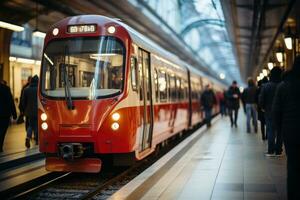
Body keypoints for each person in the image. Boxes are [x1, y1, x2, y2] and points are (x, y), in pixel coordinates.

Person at [272, 56, 300, 200]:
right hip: (291, 132)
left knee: (293, 167)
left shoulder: (283, 86)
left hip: (290, 133)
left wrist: (281, 130)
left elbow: (276, 111)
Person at [259, 67, 282, 156]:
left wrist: (262, 108)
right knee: (280, 131)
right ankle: (279, 150)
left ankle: (271, 150)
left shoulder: (266, 86)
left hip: (269, 111)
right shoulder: (282, 85)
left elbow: (261, 99)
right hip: (280, 112)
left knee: (270, 130)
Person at [0, 81, 17, 152]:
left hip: (5, 114)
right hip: (4, 114)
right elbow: (10, 101)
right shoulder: (6, 88)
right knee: (2, 131)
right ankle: (0, 146)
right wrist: (14, 114)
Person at [22, 75, 39, 148]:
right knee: (37, 125)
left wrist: (24, 110)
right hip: (38, 111)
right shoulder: (39, 90)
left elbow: (23, 102)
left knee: (30, 125)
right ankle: (37, 139)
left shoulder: (26, 89)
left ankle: (28, 137)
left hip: (29, 112)